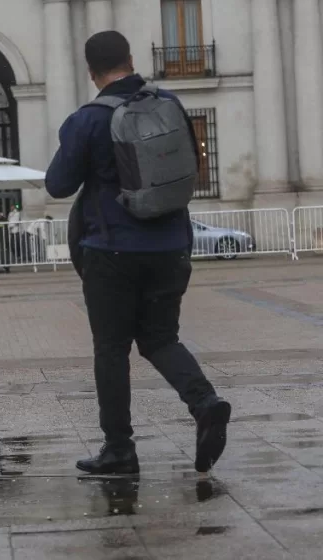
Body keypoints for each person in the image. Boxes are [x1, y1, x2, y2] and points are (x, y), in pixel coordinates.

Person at [45, 31, 230, 475]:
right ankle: (205, 402)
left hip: (112, 252)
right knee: (160, 338)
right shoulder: (169, 104)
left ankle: (119, 448)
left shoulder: (88, 119)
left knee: (111, 348)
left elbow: (58, 184)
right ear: (130, 58)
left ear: (91, 72)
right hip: (171, 246)